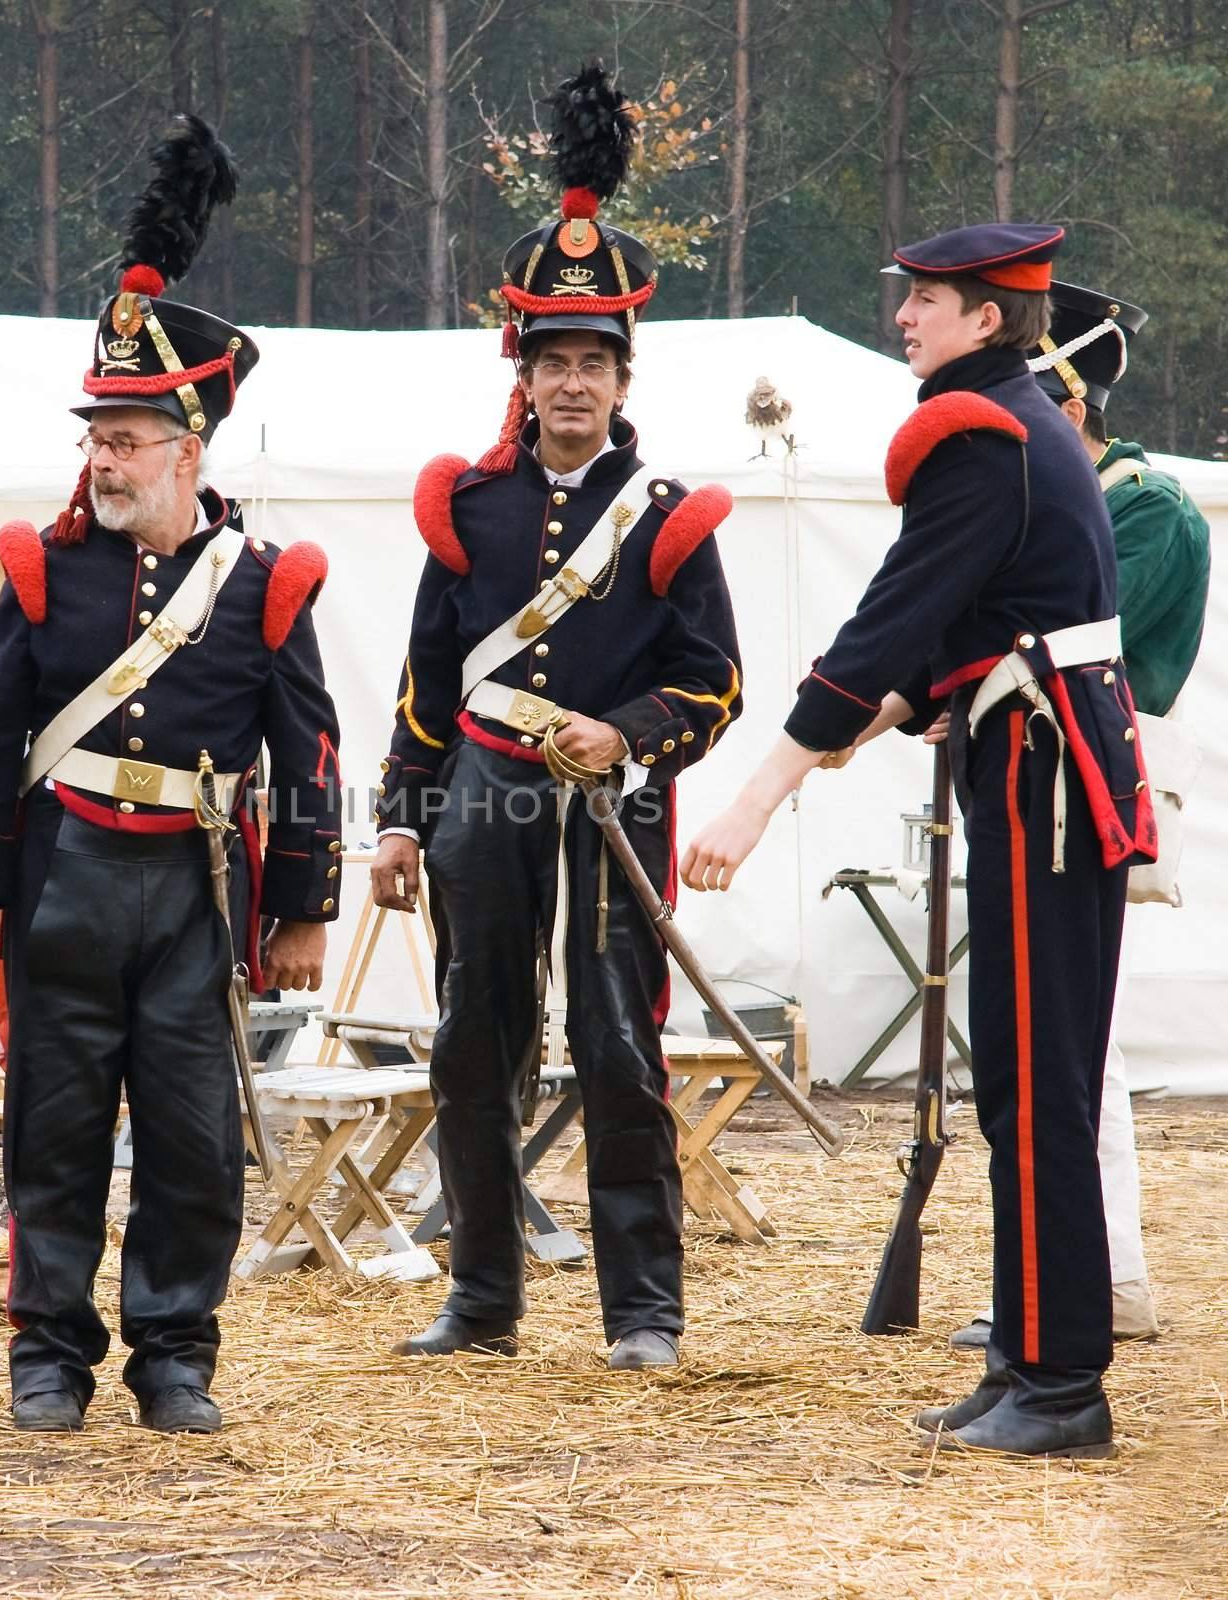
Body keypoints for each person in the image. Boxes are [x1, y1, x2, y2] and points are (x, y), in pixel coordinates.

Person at [681, 223, 1157, 1459]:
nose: (902, 317)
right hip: (1032, 756)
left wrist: (761, 789)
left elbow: (891, 618)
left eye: (927, 300)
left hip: (1040, 775)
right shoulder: (1014, 426)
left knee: (1036, 1081)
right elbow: (984, 613)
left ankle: (1059, 1385)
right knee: (1014, 1076)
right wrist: (891, 710)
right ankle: (1028, 1358)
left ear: (986, 320)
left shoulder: (983, 435)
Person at [0, 118, 343, 1435]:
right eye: (96, 434)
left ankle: (176, 1353)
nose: (103, 458)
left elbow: (311, 752)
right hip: (64, 881)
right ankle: (47, 1353)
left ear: (190, 441)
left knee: (190, 1139)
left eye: (128, 436)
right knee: (51, 1131)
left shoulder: (266, 582)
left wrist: (302, 909)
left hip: (194, 893)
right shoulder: (46, 572)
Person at [371, 65, 743, 1370]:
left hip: (608, 809)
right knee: (473, 1052)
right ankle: (482, 1301)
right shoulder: (466, 509)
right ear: (521, 374)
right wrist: (398, 825)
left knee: (617, 1055)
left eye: (592, 361)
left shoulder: (669, 515)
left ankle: (643, 1312)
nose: (571, 383)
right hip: (480, 804)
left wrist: (626, 733)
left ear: (621, 373)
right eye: (552, 361)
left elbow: (717, 682)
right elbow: (428, 679)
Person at [945, 280, 1210, 1350]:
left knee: (1074, 1052)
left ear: (1069, 396)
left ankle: (1103, 1284)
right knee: (1058, 1051)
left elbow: (1071, 633)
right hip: (1036, 788)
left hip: (1094, 788)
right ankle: (1068, 1283)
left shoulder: (1144, 506)